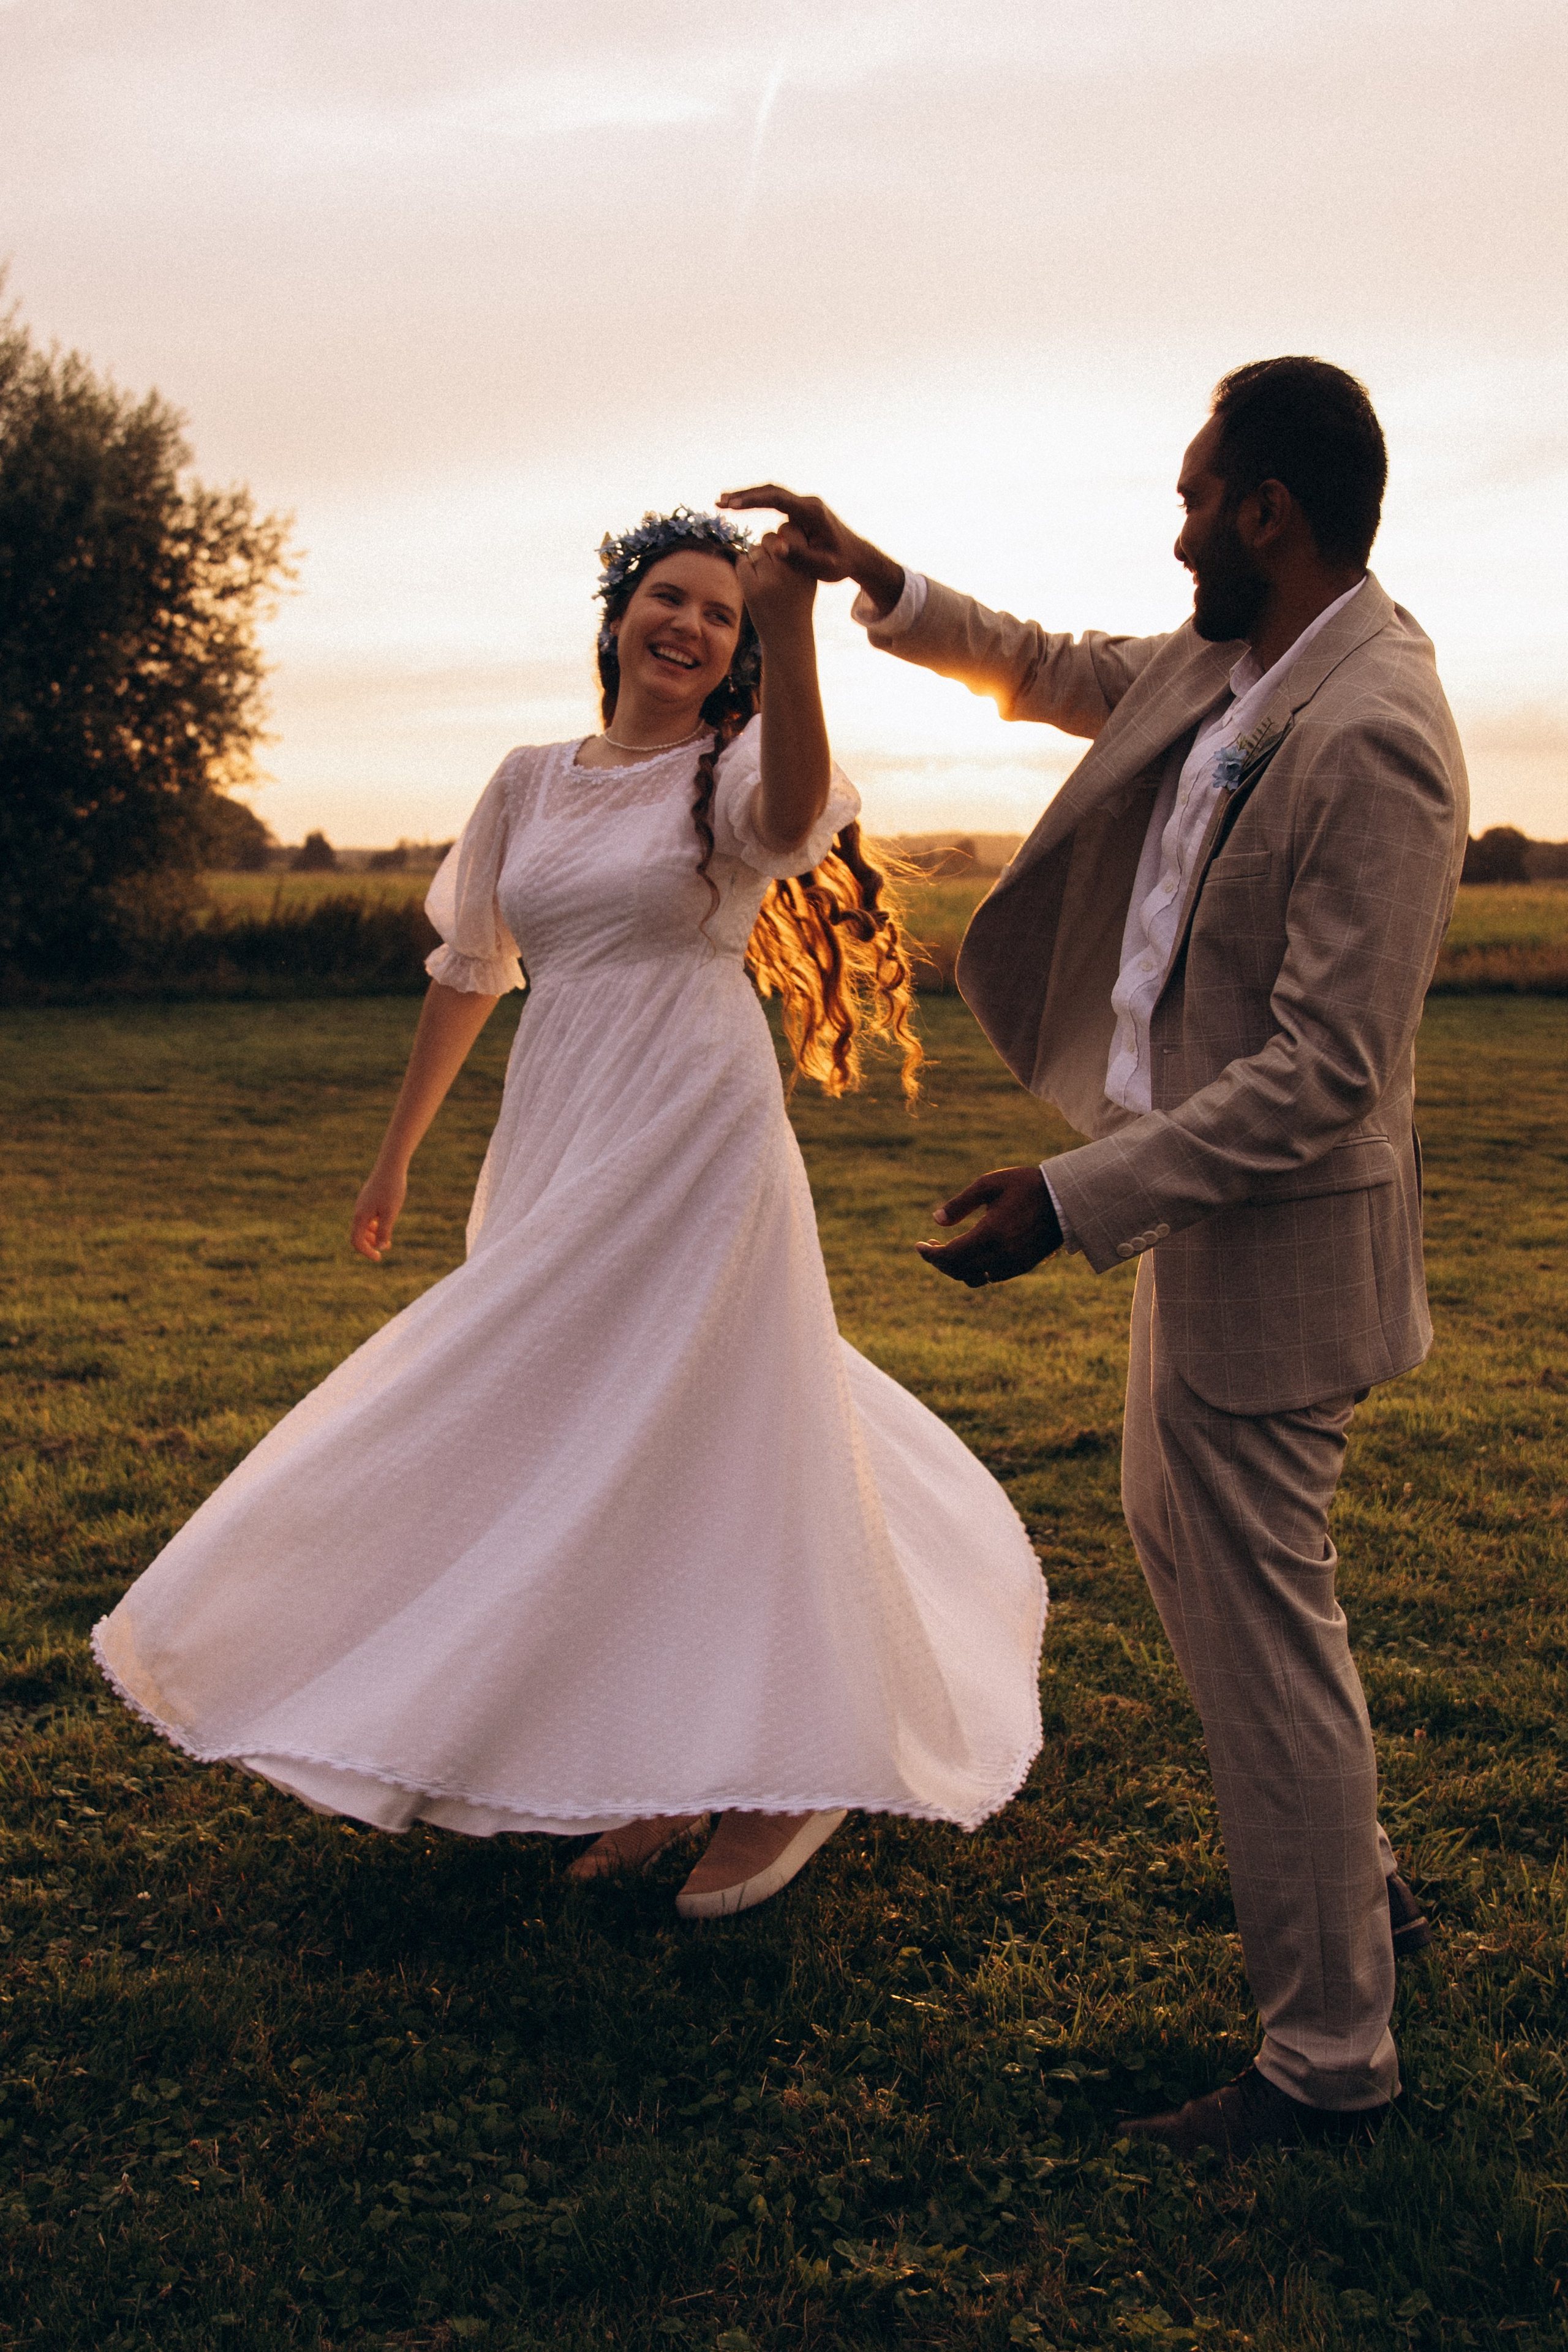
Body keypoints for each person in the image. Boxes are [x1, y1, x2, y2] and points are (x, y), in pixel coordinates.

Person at [93, 507, 1047, 1921]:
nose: (690, 625)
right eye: (670, 598)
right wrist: (394, 1158)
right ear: (616, 616)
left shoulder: (735, 768)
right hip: (557, 1119)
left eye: (720, 614)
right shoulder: (526, 781)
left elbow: (793, 826)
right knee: (582, 1425)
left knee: (709, 1419)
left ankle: (790, 1769)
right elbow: (471, 971)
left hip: (694, 1124)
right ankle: (652, 1766)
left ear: (736, 652)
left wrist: (793, 629)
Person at [722, 355, 1468, 2149]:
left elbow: (1327, 1075)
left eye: (1197, 496)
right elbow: (1051, 667)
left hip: (1274, 1249)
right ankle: (1359, 1894)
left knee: (1266, 1640)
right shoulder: (1235, 665)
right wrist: (876, 576)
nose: (1177, 524)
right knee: (1190, 1552)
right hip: (1205, 1228)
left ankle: (1328, 2065)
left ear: (1267, 514)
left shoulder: (1372, 729)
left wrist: (1072, 1200)